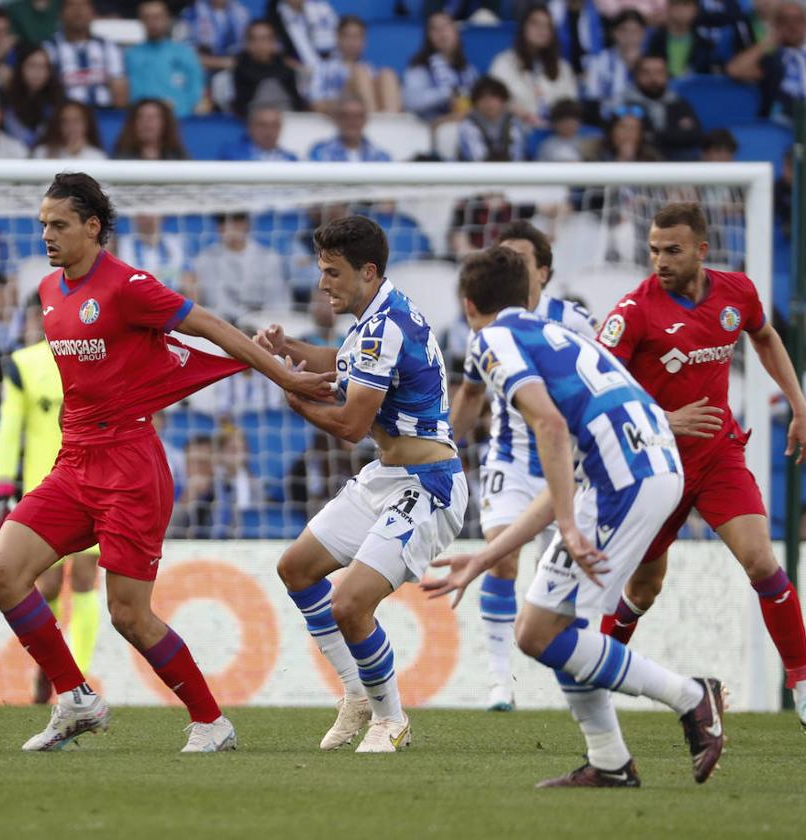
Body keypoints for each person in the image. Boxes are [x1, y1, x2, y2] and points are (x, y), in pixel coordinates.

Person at [0, 172, 334, 752]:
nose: (47, 234)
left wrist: (284, 375)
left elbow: (212, 326)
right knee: (2, 572)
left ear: (93, 228)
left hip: (130, 468)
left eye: (59, 224)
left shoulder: (129, 287)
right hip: (74, 462)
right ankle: (74, 699)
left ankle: (211, 722)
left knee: (128, 614)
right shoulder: (48, 291)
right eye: (42, 223)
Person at [423, 245, 726, 789]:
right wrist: (486, 558)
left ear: (470, 306)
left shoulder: (491, 339)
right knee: (554, 628)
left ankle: (690, 696)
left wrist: (567, 525)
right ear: (526, 295)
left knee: (541, 633)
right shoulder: (557, 335)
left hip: (624, 478)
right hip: (641, 466)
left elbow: (551, 429)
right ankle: (609, 761)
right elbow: (566, 464)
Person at [256, 215, 464, 752]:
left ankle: (390, 719)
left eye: (333, 272)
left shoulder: (387, 324)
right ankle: (356, 693)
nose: (323, 283)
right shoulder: (374, 317)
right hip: (388, 475)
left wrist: (294, 396)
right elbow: (341, 363)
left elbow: (349, 426)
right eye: (321, 271)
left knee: (349, 604)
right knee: (296, 568)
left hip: (428, 486)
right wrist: (290, 347)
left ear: (367, 271)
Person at [594, 202, 806, 727]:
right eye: (653, 250)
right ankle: (593, 679)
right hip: (655, 468)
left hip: (717, 457)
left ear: (702, 251)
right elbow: (598, 390)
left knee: (761, 561)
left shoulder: (737, 293)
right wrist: (665, 418)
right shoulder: (633, 311)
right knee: (644, 589)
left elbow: (765, 337)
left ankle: (801, 681)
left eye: (672, 250)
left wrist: (799, 405)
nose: (660, 260)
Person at [446, 221, 597, 712]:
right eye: (502, 256)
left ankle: (570, 677)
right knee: (502, 556)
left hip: (568, 465)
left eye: (520, 258)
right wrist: (443, 445)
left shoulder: (573, 322)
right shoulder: (486, 330)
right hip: (510, 461)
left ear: (543, 271)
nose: (508, 265)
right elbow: (470, 392)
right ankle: (499, 680)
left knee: (554, 573)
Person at [0, 296, 101, 703]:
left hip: (94, 483)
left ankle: (79, 679)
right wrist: (4, 487)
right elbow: (9, 428)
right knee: (49, 584)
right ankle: (50, 671)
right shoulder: (23, 364)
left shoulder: (92, 357)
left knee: (89, 579)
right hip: (46, 490)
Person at [487, 5, 577, 127]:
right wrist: (517, 112)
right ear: (523, 27)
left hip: (555, 133)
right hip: (515, 128)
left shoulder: (563, 68)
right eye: (535, 24)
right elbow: (492, 100)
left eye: (547, 26)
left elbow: (571, 106)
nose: (542, 29)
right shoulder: (504, 62)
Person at [192, 212, 291, 323]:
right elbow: (215, 301)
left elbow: (277, 301)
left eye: (237, 221)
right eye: (223, 222)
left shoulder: (269, 257)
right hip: (222, 324)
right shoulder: (205, 258)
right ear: (218, 227)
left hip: (262, 323)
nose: (231, 227)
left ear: (246, 223)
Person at [726, 0, 806, 118]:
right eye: (784, 20)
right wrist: (768, 42)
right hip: (787, 119)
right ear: (776, 26)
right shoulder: (773, 60)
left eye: (797, 19)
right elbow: (734, 70)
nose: (791, 25)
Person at [126, 0, 205, 118]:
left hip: (181, 120)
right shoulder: (131, 55)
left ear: (167, 19)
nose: (152, 23)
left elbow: (196, 91)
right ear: (141, 21)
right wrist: (157, 108)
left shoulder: (185, 53)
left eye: (157, 17)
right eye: (147, 18)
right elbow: (132, 94)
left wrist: (180, 107)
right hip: (144, 122)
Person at [44, 0, 128, 109]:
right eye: (71, 5)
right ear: (60, 14)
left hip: (103, 116)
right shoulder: (49, 48)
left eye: (84, 5)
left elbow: (120, 95)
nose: (78, 11)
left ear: (93, 12)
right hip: (62, 118)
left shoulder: (108, 47)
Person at [399, 11, 478, 124]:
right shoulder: (419, 68)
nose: (442, 33)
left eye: (446, 26)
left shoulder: (469, 70)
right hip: (430, 128)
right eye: (435, 28)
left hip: (464, 125)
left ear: (456, 32)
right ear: (428, 37)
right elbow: (410, 102)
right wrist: (446, 94)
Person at [622, 54, 703, 161]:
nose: (653, 78)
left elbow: (694, 135)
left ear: (667, 76)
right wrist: (674, 133)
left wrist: (654, 134)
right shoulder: (626, 103)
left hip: (677, 162)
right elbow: (632, 139)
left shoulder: (678, 103)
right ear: (636, 76)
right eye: (646, 73)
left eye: (658, 72)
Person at [307, 15, 388, 114]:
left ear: (364, 41)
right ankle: (367, 122)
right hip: (339, 115)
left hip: (373, 111)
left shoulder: (370, 69)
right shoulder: (322, 68)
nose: (353, 42)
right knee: (360, 74)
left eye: (358, 37)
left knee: (387, 75)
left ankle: (392, 125)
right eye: (348, 36)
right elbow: (315, 102)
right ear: (338, 38)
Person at [582, 9, 649, 124]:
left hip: (643, 123)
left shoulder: (651, 62)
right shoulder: (599, 61)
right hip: (608, 122)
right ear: (615, 33)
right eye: (624, 31)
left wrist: (635, 66)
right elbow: (592, 98)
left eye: (635, 31)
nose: (629, 36)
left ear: (643, 34)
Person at [231, 19, 307, 116]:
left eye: (264, 39)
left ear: (274, 42)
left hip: (288, 118)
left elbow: (297, 102)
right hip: (255, 120)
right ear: (247, 43)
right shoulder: (239, 69)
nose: (259, 44)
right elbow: (240, 106)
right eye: (254, 39)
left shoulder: (287, 68)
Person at [0, 43, 66, 149]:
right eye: (32, 66)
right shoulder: (5, 97)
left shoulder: (58, 100)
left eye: (43, 67)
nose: (37, 72)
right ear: (20, 68)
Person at [456, 76, 524, 162]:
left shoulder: (513, 122)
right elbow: (478, 160)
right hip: (474, 173)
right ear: (475, 102)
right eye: (482, 97)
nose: (488, 102)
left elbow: (517, 157)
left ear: (503, 100)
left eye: (493, 96)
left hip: (510, 172)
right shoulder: (468, 125)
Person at [307, 95, 390, 161]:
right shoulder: (319, 152)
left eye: (358, 116)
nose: (352, 121)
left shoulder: (381, 156)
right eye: (345, 115)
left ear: (365, 119)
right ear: (336, 118)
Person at [181, 0, 250, 74]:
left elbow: (247, 46)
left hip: (235, 68)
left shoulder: (241, 12)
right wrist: (217, 62)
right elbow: (183, 51)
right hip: (201, 69)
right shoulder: (192, 13)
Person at [112, 98, 189, 160]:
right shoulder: (120, 160)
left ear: (166, 123)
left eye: (153, 117)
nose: (146, 122)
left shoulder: (179, 158)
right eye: (140, 117)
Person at [30, 99, 107, 160]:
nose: (71, 126)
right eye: (65, 121)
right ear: (57, 124)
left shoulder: (98, 157)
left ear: (87, 125)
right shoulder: (42, 152)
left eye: (76, 121)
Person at [219, 103, 297, 160]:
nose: (269, 131)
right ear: (250, 128)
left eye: (274, 126)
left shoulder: (291, 159)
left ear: (280, 128)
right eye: (262, 125)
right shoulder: (232, 155)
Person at [535, 98, 585, 162]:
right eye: (564, 122)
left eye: (572, 122)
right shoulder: (547, 146)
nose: (568, 126)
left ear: (579, 123)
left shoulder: (587, 143)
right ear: (554, 124)